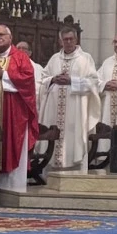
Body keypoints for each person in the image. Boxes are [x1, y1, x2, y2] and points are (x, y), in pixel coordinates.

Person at [0, 24, 38, 196]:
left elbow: (27, 81)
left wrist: (4, 75)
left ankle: (11, 189)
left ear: (10, 38)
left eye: (1, 35)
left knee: (9, 146)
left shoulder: (20, 58)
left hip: (13, 115)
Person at [39, 25, 101, 174]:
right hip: (54, 109)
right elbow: (42, 79)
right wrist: (53, 79)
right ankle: (50, 172)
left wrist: (72, 81)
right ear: (60, 41)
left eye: (70, 39)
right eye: (65, 39)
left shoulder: (85, 58)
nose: (68, 42)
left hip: (75, 108)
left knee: (74, 139)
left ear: (76, 39)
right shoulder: (54, 59)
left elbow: (94, 83)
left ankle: (74, 172)